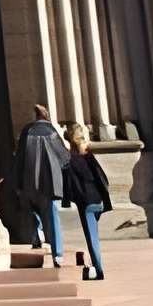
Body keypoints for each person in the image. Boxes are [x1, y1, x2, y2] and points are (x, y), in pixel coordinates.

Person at [13, 105, 70, 265]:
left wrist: (18, 183)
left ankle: (37, 233)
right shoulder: (51, 131)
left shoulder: (27, 131)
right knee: (52, 215)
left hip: (29, 180)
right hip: (49, 183)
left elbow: (19, 159)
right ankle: (57, 253)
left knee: (32, 208)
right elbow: (64, 157)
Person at [64, 131, 112, 281]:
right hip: (99, 200)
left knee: (92, 238)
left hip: (86, 203)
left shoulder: (71, 161)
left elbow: (69, 185)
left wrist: (68, 201)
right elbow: (103, 179)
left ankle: (99, 269)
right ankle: (94, 263)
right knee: (94, 235)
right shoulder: (90, 158)